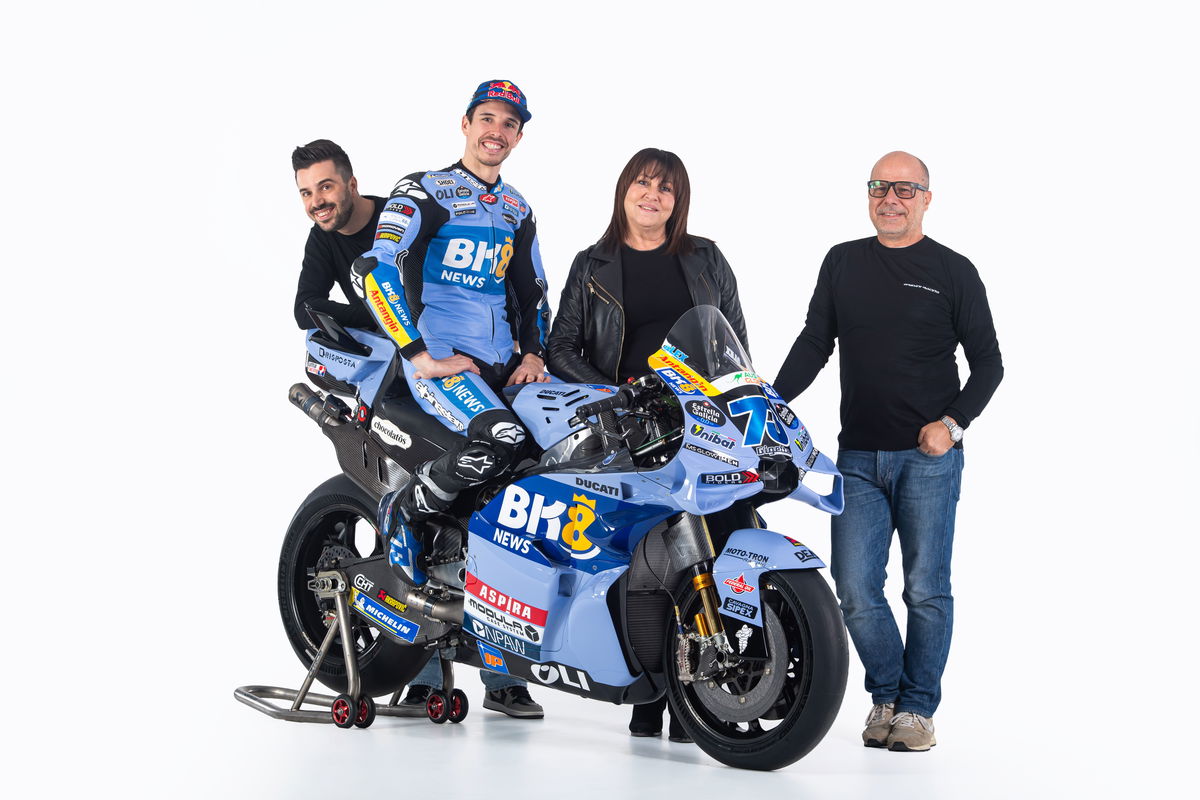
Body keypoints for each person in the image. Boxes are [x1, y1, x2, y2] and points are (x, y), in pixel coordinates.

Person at [773, 152, 1004, 752]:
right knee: (854, 589)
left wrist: (952, 424)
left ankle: (916, 710)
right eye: (880, 187)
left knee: (925, 589)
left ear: (927, 198)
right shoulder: (843, 261)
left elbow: (989, 364)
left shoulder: (954, 271)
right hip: (857, 459)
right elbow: (815, 342)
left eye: (904, 188)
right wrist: (767, 401)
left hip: (928, 460)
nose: (890, 199)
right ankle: (890, 695)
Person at [351, 79, 551, 719]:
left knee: (535, 484)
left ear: (519, 135)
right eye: (487, 118)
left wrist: (533, 354)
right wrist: (418, 354)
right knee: (503, 442)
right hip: (442, 361)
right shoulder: (425, 190)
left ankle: (501, 667)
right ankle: (403, 508)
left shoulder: (517, 207)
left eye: (509, 123)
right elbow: (374, 268)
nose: (497, 131)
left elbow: (534, 290)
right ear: (465, 123)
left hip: (501, 367)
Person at [547, 147, 748, 742]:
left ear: (678, 201)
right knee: (648, 554)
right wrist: (614, 394)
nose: (652, 196)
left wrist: (735, 403)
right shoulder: (593, 264)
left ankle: (705, 688)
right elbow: (561, 347)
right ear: (623, 190)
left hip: (702, 418)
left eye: (666, 188)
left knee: (720, 540)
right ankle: (652, 692)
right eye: (642, 183)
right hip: (627, 424)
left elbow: (736, 342)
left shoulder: (705, 258)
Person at [292, 140, 383, 330]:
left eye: (326, 187)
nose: (316, 202)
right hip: (389, 344)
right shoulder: (322, 237)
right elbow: (304, 309)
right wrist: (379, 316)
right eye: (306, 193)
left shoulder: (401, 217)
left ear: (352, 185)